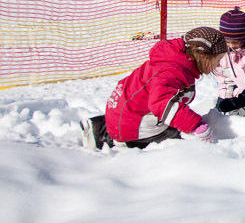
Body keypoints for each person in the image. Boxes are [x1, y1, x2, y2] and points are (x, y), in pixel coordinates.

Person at [80, 26, 226, 149]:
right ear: (202, 55)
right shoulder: (172, 70)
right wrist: (195, 125)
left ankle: (100, 128)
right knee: (177, 139)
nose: (218, 65)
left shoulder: (177, 61)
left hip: (125, 113)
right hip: (130, 123)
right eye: (217, 60)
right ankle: (114, 140)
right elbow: (161, 105)